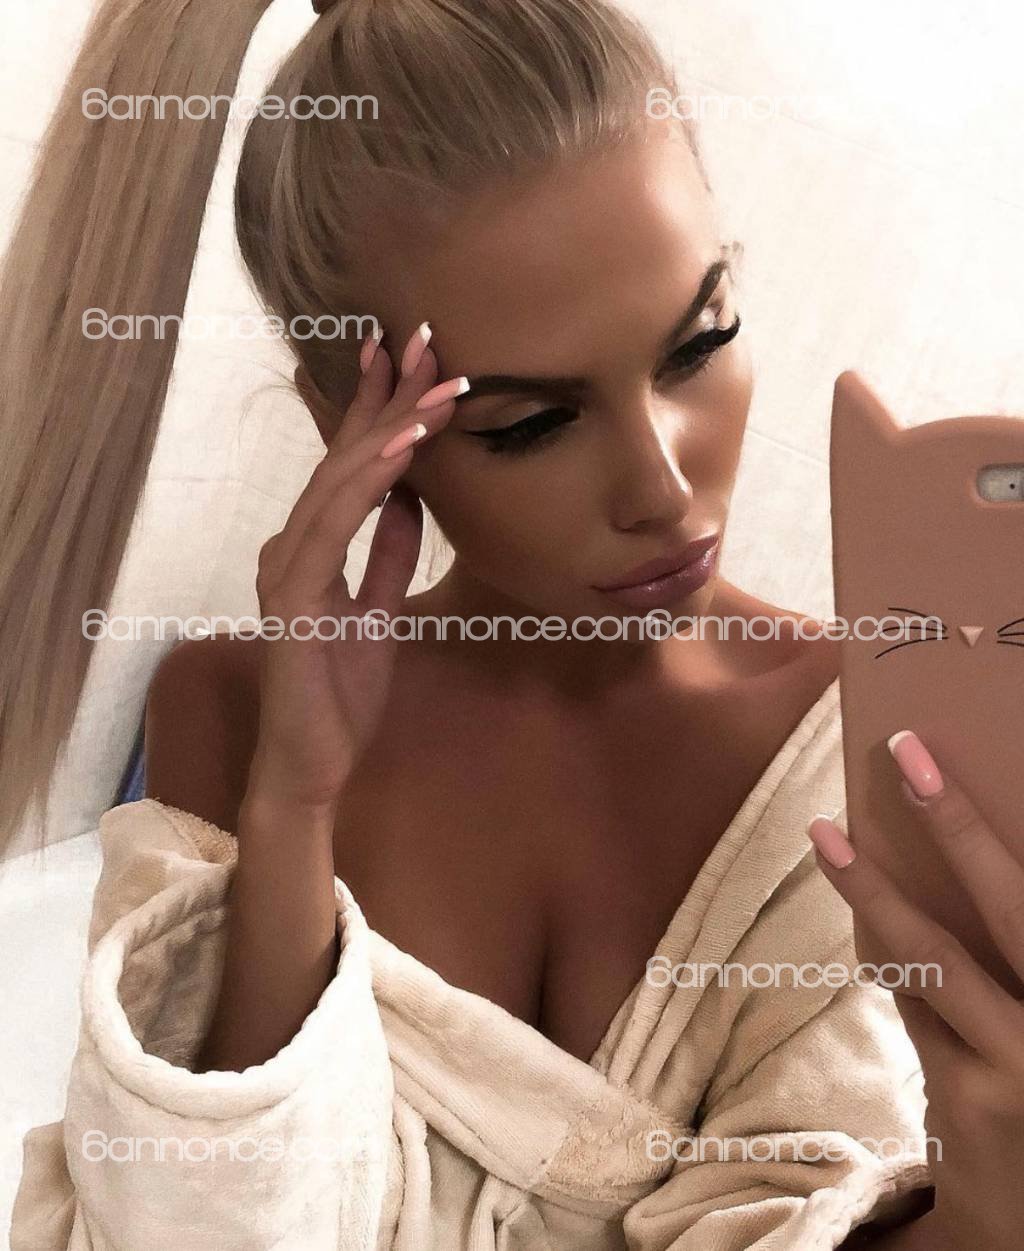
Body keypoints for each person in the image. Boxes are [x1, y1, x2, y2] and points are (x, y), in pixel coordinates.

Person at [5, 1, 1022, 1247]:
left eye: (697, 343)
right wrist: (295, 804)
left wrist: (992, 1206)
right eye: (531, 423)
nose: (662, 487)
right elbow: (183, 1224)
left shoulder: (856, 752)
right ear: (354, 423)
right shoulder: (232, 707)